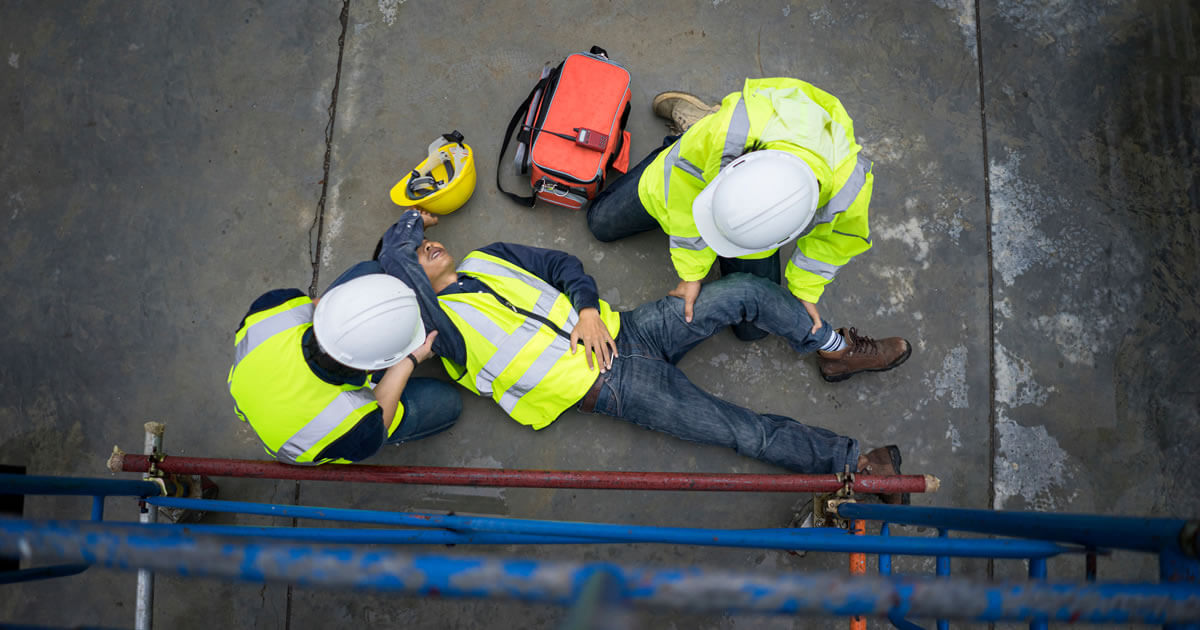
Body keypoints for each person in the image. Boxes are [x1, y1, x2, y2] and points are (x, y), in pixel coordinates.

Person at [374, 209, 907, 492]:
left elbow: (561, 265)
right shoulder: (436, 334)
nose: (427, 247)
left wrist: (585, 309)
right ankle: (857, 464)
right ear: (409, 285)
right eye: (416, 254)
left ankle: (833, 348)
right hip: (616, 389)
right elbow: (402, 274)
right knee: (744, 431)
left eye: (421, 242)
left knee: (744, 293)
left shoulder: (488, 258)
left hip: (631, 330)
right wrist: (407, 227)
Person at [587, 78, 909, 383]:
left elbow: (837, 241)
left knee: (752, 330)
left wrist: (805, 290)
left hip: (749, 189)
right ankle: (691, 129)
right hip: (695, 160)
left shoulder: (849, 182)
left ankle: (837, 349)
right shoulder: (726, 133)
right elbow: (683, 195)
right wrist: (691, 274)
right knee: (601, 222)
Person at [227, 236, 462, 465]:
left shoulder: (273, 308)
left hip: (258, 392)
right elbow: (379, 424)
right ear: (374, 366)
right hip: (299, 442)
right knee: (447, 403)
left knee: (370, 271)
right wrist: (409, 361)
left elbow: (318, 306)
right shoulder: (353, 425)